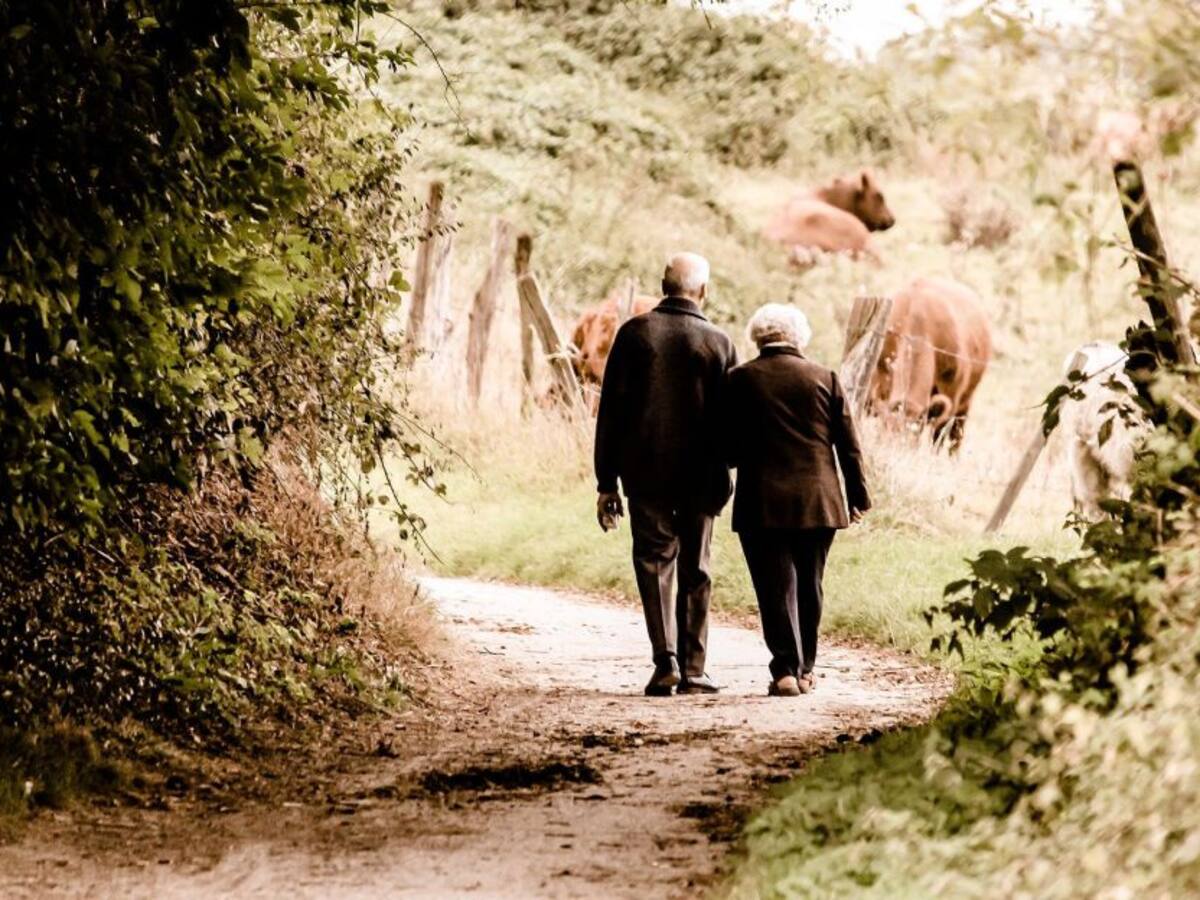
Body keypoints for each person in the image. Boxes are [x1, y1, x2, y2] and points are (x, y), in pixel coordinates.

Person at [594, 252, 738, 696]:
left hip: (645, 472)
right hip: (703, 475)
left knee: (655, 562)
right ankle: (695, 669)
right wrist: (728, 466)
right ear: (704, 291)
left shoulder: (635, 335)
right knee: (697, 566)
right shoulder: (719, 342)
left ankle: (666, 662)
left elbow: (611, 413)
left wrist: (606, 482)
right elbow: (732, 419)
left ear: (662, 284)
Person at [724, 304, 870, 697]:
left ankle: (785, 670)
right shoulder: (826, 378)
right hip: (819, 500)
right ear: (799, 336)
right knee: (810, 583)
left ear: (758, 336)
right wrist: (858, 496)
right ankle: (806, 669)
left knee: (774, 587)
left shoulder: (739, 379)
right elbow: (849, 446)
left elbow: (728, 449)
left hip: (762, 501)